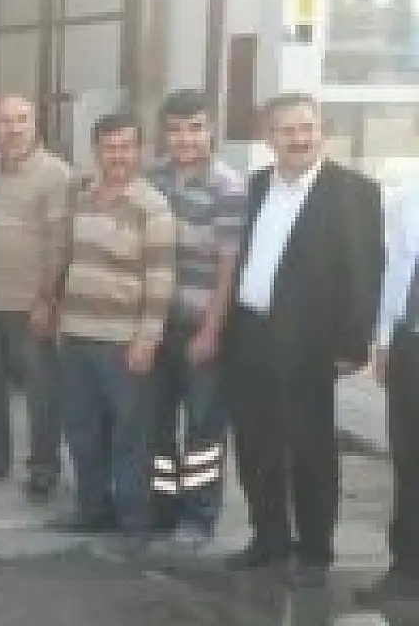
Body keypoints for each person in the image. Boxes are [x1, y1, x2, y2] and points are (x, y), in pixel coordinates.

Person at [223, 93, 382, 584]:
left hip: (311, 343)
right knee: (255, 443)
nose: (299, 139)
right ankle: (268, 539)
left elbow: (366, 271)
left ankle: (315, 551)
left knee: (310, 448)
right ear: (269, 137)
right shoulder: (255, 186)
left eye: (307, 129)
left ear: (322, 132)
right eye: (287, 130)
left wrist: (353, 345)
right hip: (250, 332)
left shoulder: (354, 191)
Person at [46, 113, 176, 546]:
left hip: (124, 342)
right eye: (109, 147)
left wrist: (148, 339)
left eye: (126, 147)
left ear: (140, 151)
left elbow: (160, 279)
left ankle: (135, 519)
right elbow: (67, 259)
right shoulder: (82, 198)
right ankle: (93, 509)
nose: (117, 155)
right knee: (82, 430)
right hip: (77, 336)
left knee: (130, 436)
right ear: (96, 151)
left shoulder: (153, 207)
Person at [144, 90, 246, 550]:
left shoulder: (228, 187)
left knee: (204, 428)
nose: (185, 139)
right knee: (157, 425)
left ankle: (199, 516)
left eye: (195, 128)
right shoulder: (153, 179)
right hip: (157, 324)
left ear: (211, 130)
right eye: (176, 130)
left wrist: (211, 330)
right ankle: (163, 509)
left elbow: (229, 267)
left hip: (201, 325)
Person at [0, 94, 68, 500]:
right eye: (4, 121)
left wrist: (47, 300)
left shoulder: (56, 175)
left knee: (42, 392)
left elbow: (59, 243)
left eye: (22, 119)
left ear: (35, 123)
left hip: (30, 303)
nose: (14, 129)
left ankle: (43, 468)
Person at [358, 173, 419, 604]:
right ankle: (406, 567)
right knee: (408, 460)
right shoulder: (406, 196)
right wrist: (382, 342)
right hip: (407, 344)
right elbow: (394, 271)